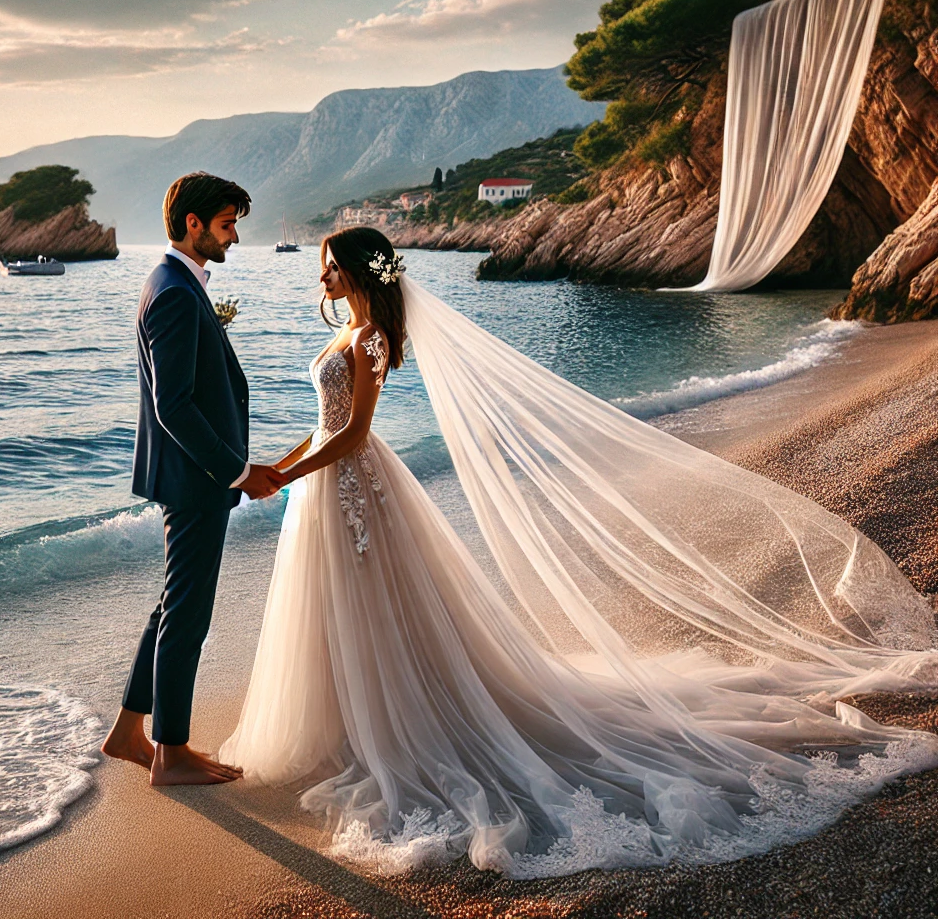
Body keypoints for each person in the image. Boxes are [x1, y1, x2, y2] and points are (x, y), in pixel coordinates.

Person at [218, 225, 938, 878]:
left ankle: (400, 721)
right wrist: (274, 470)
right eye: (321, 268)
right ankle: (350, 719)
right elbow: (324, 427)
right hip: (324, 488)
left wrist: (283, 474)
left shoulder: (370, 339)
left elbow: (353, 436)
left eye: (330, 268)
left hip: (353, 487)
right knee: (338, 609)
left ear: (359, 273)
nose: (321, 278)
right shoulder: (350, 332)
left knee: (377, 606)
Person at [102, 172, 283, 786]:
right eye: (227, 225)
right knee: (188, 613)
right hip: (197, 479)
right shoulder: (176, 291)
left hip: (190, 477)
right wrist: (239, 471)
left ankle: (129, 732)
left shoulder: (176, 282)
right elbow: (172, 404)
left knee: (171, 606)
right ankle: (170, 754)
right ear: (193, 225)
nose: (234, 237)